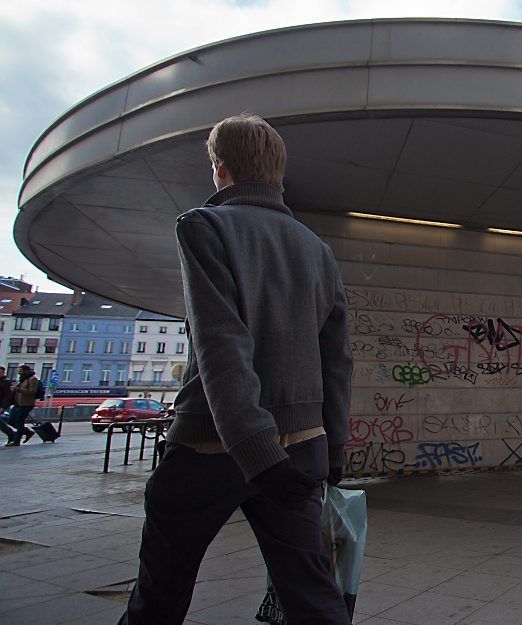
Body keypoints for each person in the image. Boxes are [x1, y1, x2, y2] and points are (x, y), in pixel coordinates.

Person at [118, 113, 353, 625]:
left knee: (160, 593)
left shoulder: (203, 226)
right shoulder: (318, 249)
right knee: (312, 596)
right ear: (278, 175)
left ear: (220, 171)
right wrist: (333, 447)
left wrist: (257, 453)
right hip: (301, 448)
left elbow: (221, 344)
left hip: (214, 448)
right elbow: (336, 358)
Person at [4, 365, 37, 446]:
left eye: (20, 371)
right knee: (11, 420)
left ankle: (16, 441)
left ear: (26, 371)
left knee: (19, 422)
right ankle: (27, 432)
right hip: (17, 404)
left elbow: (32, 391)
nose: (18, 372)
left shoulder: (32, 379)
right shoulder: (22, 379)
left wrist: (18, 389)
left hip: (26, 404)